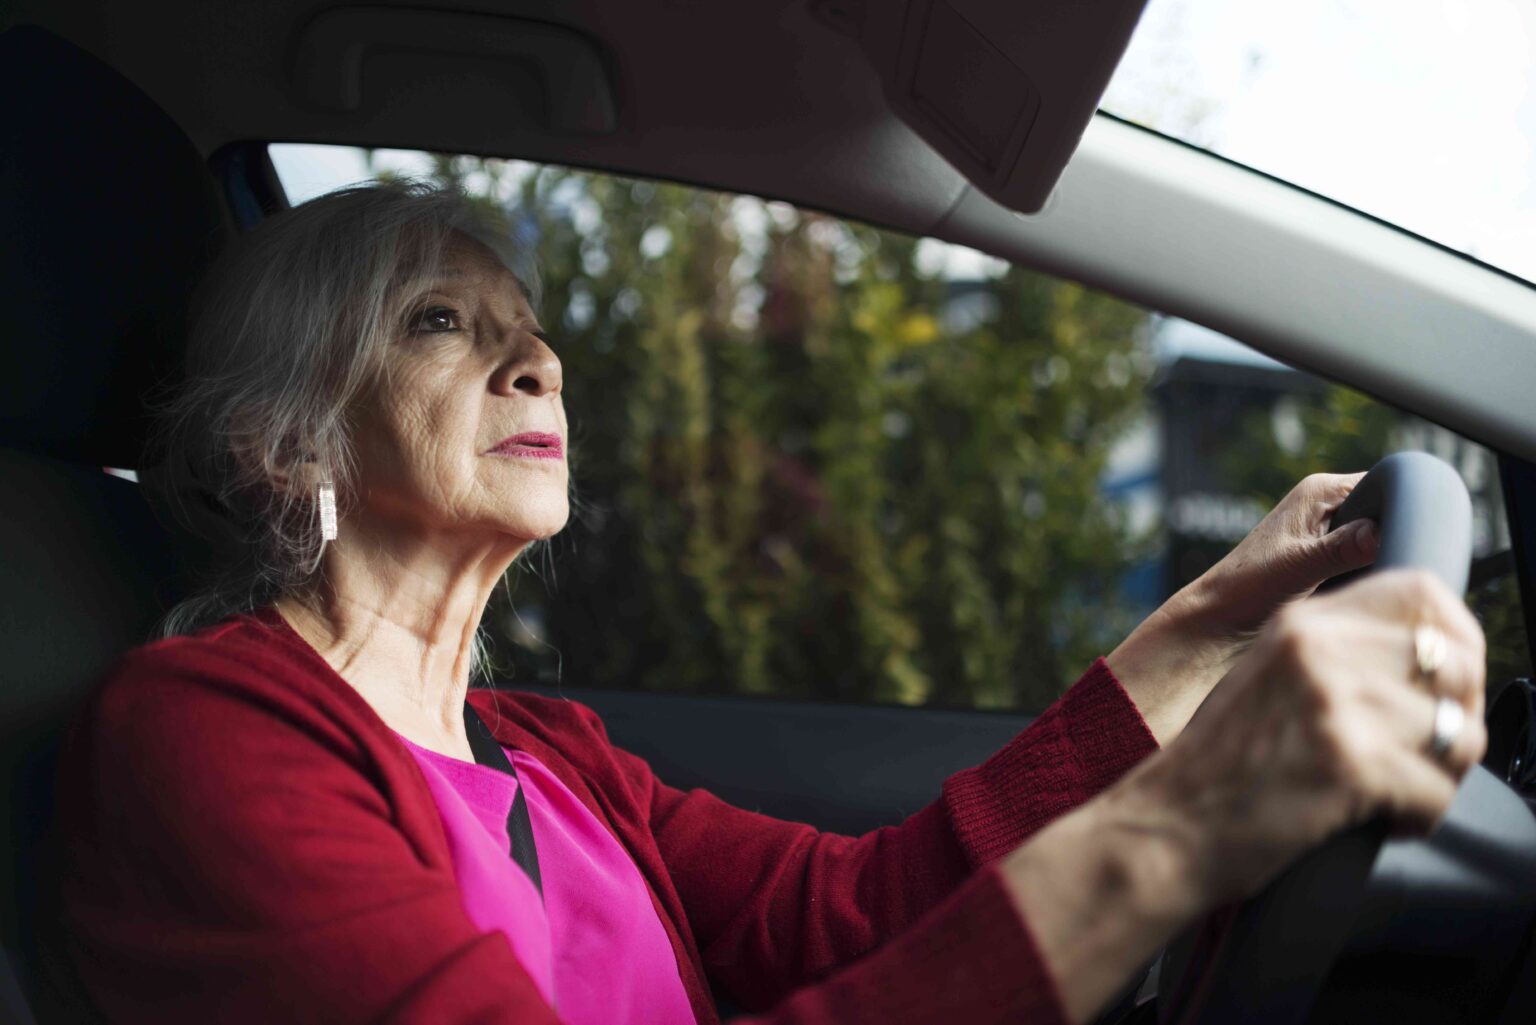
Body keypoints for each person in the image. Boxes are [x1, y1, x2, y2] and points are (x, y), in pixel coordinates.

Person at [50, 182, 1487, 1025]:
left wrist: (1201, 626)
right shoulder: (203, 734)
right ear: (281, 441)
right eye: (443, 324)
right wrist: (1170, 838)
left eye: (532, 337)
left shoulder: (554, 756)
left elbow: (854, 912)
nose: (537, 365)